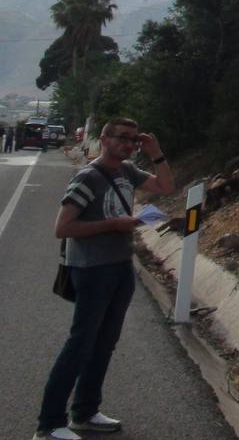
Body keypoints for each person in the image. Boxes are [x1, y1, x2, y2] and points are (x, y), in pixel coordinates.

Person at [33, 118, 174, 440]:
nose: (128, 145)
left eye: (133, 140)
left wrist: (157, 153)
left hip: (121, 265)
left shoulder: (126, 172)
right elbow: (63, 228)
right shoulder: (87, 178)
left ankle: (85, 412)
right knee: (80, 345)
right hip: (92, 270)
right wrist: (112, 224)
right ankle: (49, 425)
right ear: (105, 139)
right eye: (122, 138)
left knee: (104, 344)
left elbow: (166, 188)